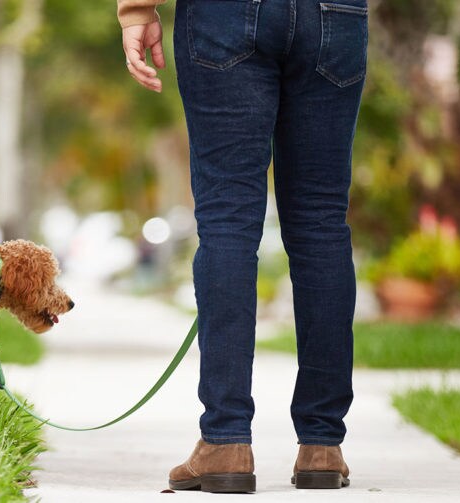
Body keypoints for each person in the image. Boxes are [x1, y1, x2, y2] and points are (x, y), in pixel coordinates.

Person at [118, 0, 366, 493]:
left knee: (228, 218)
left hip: (225, 14)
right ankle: (322, 443)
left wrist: (136, 11)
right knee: (321, 221)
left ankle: (226, 440)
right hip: (335, 15)